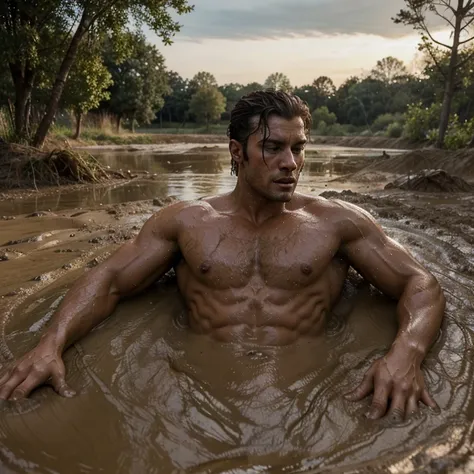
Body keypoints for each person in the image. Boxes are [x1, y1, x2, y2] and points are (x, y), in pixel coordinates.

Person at [0, 90, 445, 420]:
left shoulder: (338, 223)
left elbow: (419, 282)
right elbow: (110, 279)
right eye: (273, 148)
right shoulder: (186, 222)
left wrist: (406, 351)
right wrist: (49, 345)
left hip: (316, 394)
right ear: (237, 152)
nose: (290, 162)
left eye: (299, 148)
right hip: (191, 394)